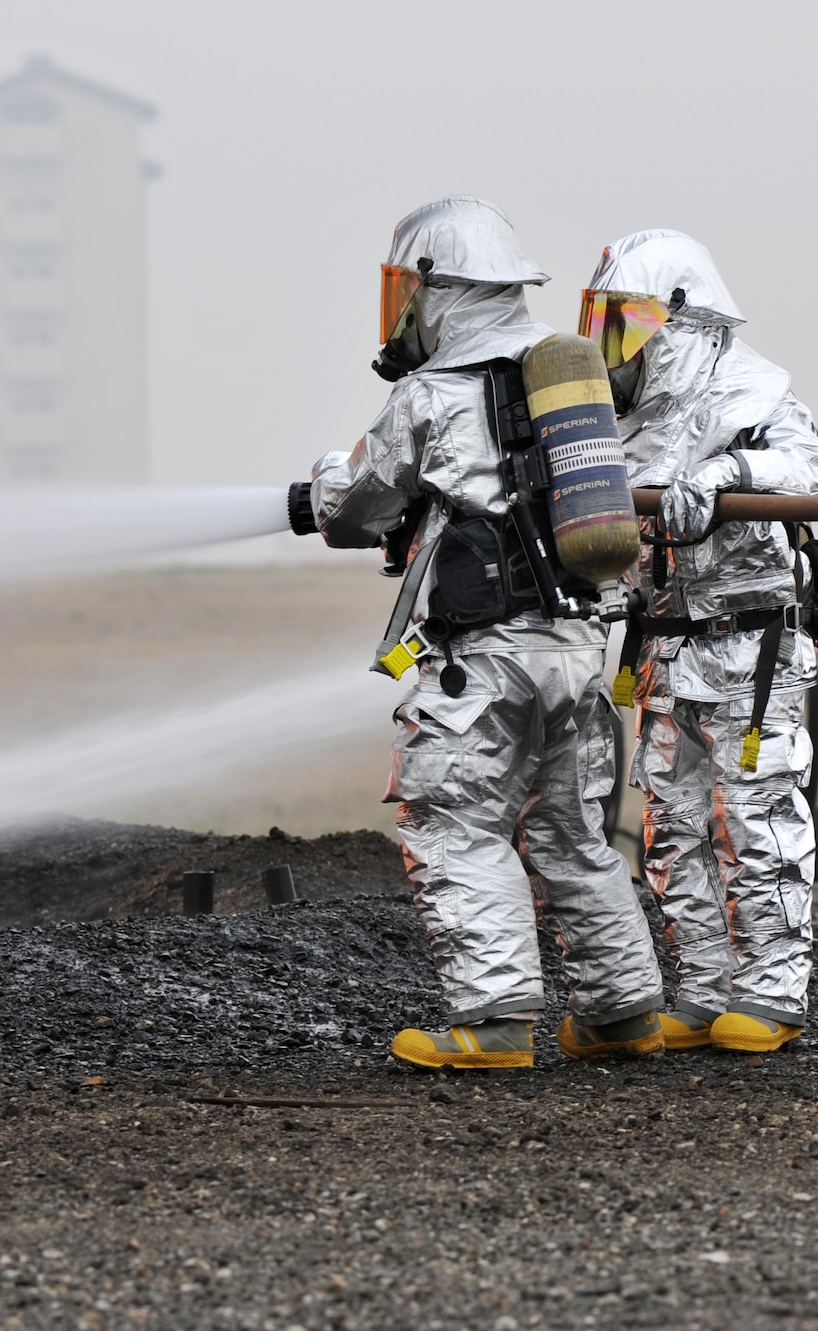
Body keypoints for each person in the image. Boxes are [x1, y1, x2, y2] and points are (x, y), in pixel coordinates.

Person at [307, 196, 666, 1069]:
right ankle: (622, 1013)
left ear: (439, 290)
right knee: (570, 832)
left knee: (454, 822)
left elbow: (352, 509)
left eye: (408, 292)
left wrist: (320, 478)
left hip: (483, 661)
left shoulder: (430, 395)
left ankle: (496, 1022)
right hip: (577, 650)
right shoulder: (566, 381)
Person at [584, 230, 818, 1054]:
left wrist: (731, 474)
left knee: (758, 824)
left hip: (750, 653)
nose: (612, 346)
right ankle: (701, 990)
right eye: (604, 325)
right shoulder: (621, 423)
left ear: (680, 321)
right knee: (672, 829)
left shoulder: (753, 393)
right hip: (665, 652)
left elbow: (817, 471)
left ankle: (771, 994)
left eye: (626, 325)